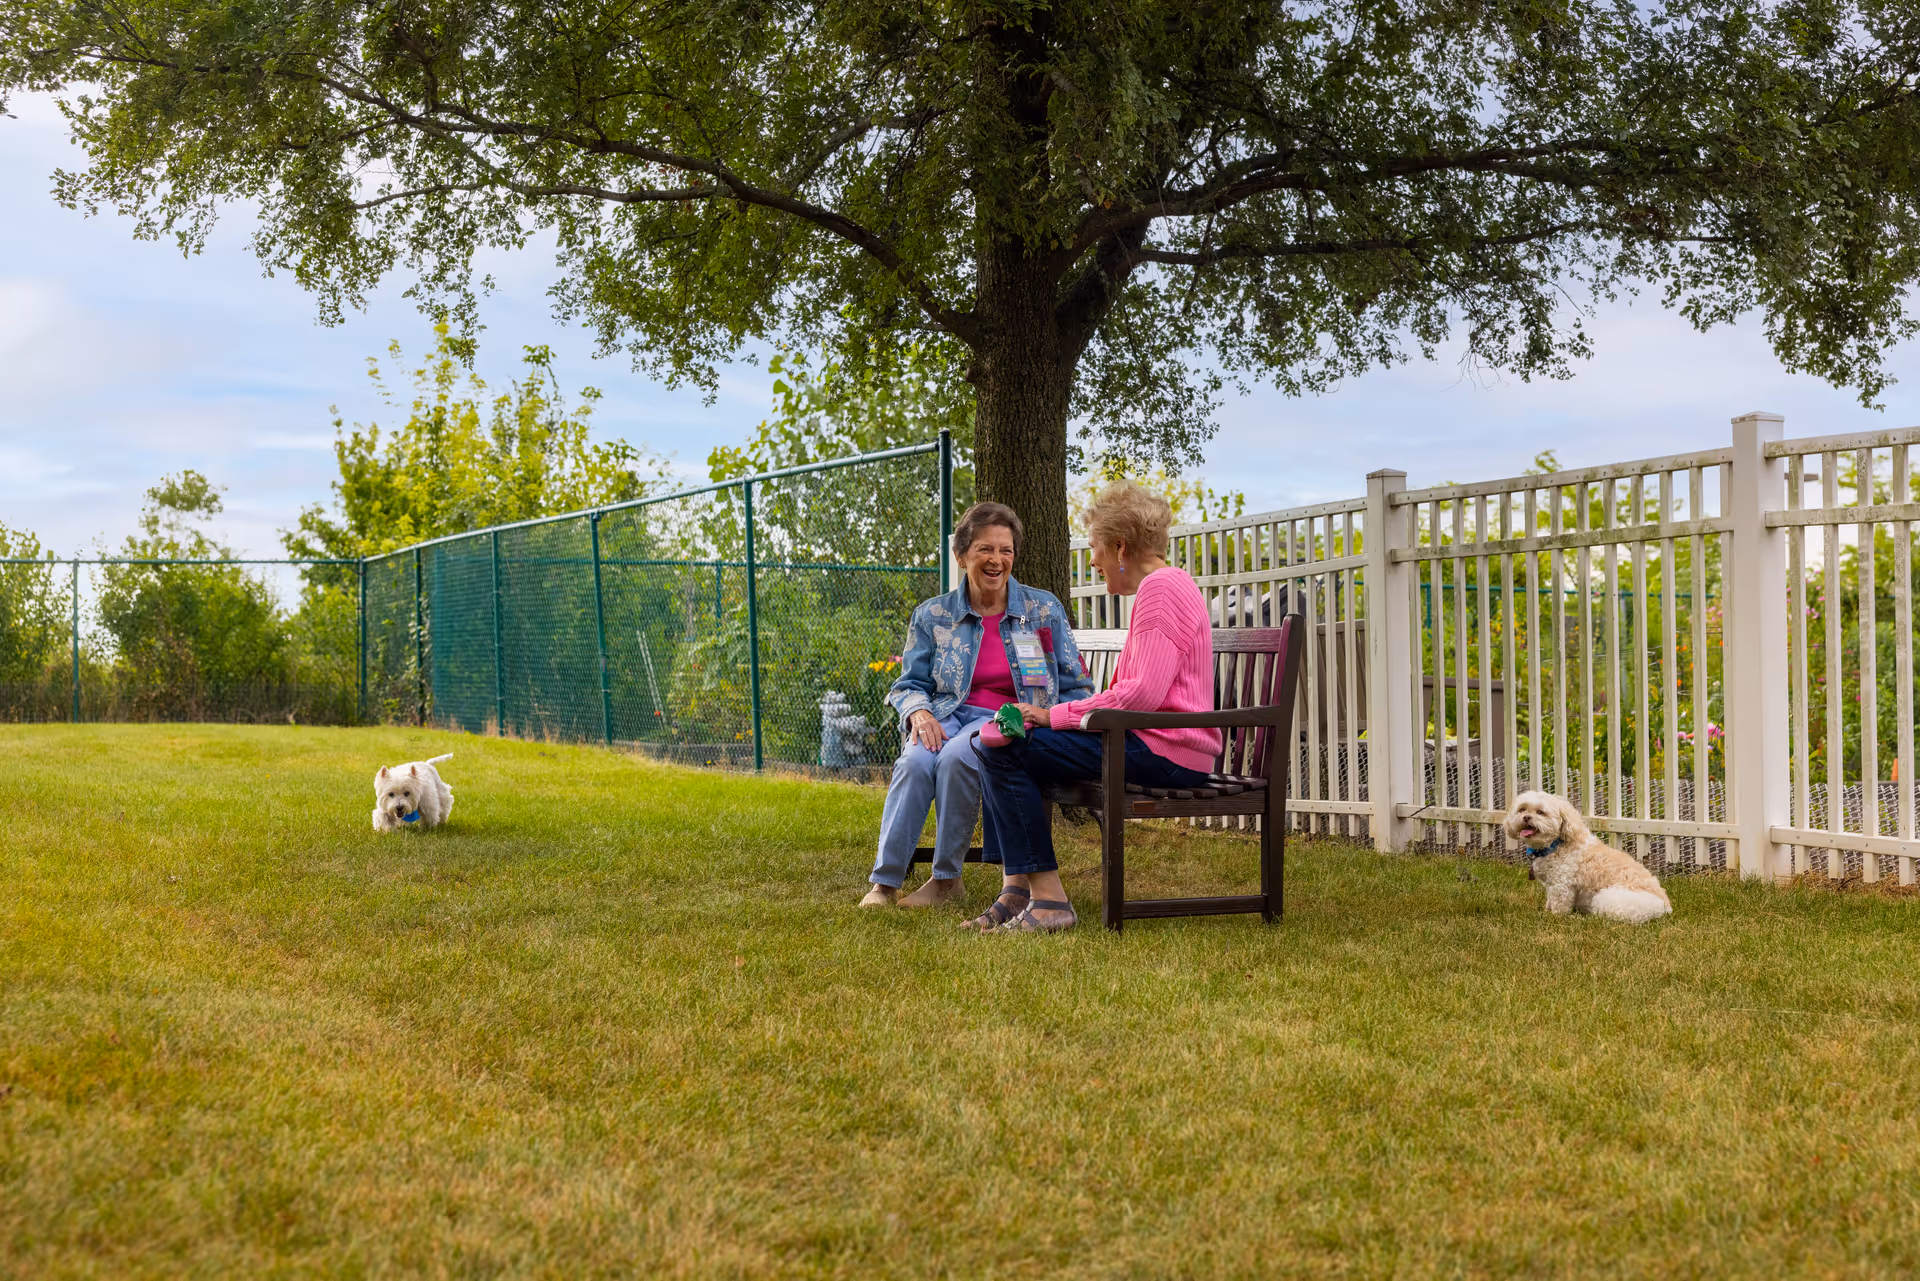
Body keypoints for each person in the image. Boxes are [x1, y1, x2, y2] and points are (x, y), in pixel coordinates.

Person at [969, 481, 1218, 933]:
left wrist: (1053, 715)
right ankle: (1020, 888)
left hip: (1163, 752)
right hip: (1153, 744)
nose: (1093, 559)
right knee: (1006, 741)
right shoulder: (1164, 587)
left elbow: (1140, 695)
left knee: (1001, 747)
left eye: (1097, 547)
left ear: (1120, 547)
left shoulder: (1161, 591)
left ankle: (1045, 900)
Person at [861, 502, 1092, 907]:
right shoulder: (933, 615)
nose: (997, 560)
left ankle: (947, 880)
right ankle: (885, 882)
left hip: (1008, 721)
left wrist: (1051, 719)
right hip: (946, 714)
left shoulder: (1040, 611)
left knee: (955, 758)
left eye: (1006, 550)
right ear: (962, 554)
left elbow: (1078, 686)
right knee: (913, 763)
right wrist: (919, 711)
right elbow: (908, 684)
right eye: (986, 549)